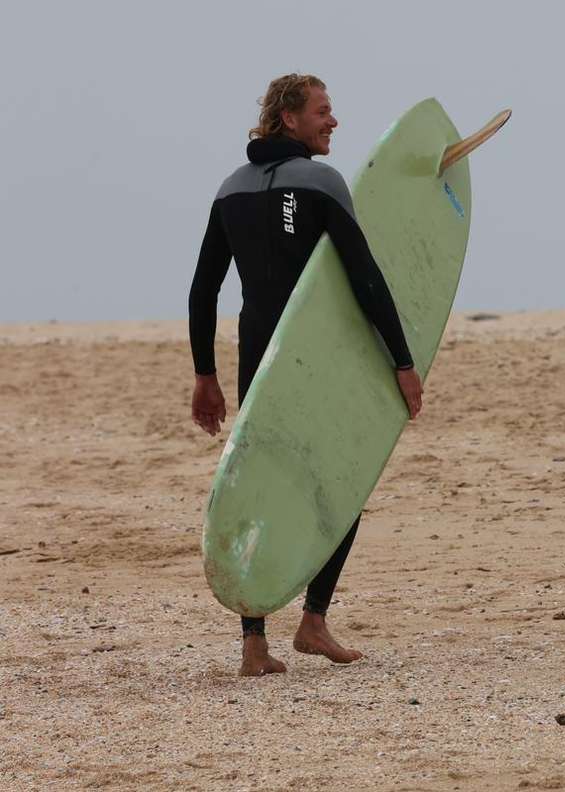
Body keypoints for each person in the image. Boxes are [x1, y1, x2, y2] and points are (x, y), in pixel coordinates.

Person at [188, 73, 424, 676]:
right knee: (342, 484)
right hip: (319, 363)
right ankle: (314, 621)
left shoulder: (229, 191)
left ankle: (253, 643)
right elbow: (367, 278)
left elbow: (203, 290)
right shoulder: (321, 183)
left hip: (256, 364)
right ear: (290, 119)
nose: (334, 121)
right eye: (324, 111)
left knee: (260, 484)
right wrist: (402, 360)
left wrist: (205, 375)